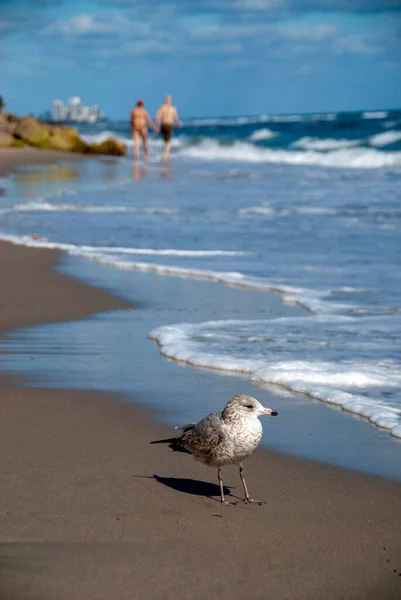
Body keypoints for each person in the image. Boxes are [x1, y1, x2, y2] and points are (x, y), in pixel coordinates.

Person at [155, 95, 180, 162]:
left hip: (163, 125)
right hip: (169, 125)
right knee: (168, 142)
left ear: (165, 100)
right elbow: (175, 117)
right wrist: (178, 124)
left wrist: (157, 126)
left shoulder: (161, 108)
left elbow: (158, 117)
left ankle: (165, 154)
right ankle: (166, 156)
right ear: (170, 100)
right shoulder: (173, 108)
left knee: (165, 141)